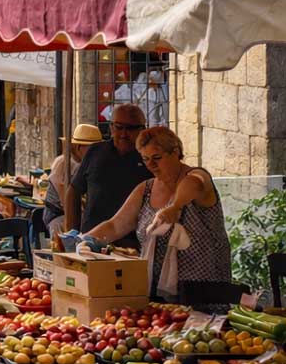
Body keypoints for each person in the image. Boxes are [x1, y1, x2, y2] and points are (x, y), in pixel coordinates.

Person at [78, 127, 231, 299]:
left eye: (157, 158)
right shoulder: (146, 189)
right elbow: (115, 225)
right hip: (158, 294)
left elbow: (194, 184)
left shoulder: (197, 176)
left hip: (205, 293)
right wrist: (83, 241)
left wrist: (175, 206)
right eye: (145, 159)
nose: (151, 165)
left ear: (175, 152)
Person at [65, 102, 152, 248]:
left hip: (132, 245)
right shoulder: (95, 152)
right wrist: (72, 231)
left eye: (131, 128)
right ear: (111, 127)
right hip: (90, 241)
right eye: (119, 127)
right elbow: (74, 190)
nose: (124, 134)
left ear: (142, 130)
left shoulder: (148, 159)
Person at [44, 123, 103, 238]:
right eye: (91, 148)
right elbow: (64, 194)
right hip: (58, 215)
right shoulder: (65, 162)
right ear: (78, 147)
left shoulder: (84, 164)